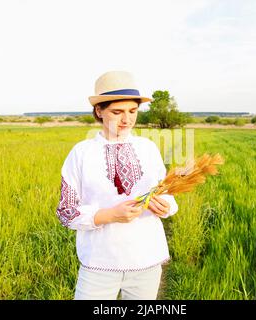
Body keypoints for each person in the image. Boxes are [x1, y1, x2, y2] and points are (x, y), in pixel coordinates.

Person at [56, 70, 179, 300]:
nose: (127, 120)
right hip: (99, 263)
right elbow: (66, 212)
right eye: (117, 112)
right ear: (99, 111)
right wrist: (111, 214)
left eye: (132, 111)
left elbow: (169, 195)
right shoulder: (81, 153)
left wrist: (166, 206)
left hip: (147, 260)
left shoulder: (148, 148)